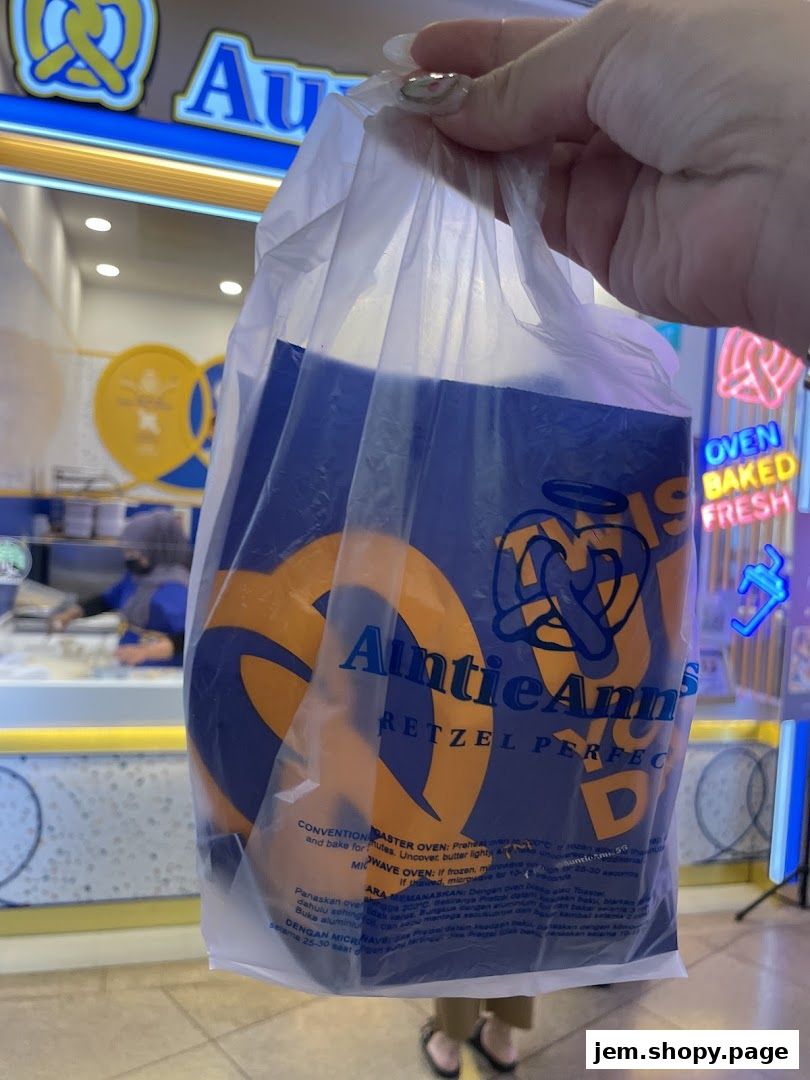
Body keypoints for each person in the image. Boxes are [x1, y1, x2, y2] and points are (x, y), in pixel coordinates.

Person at [393, 0, 810, 1072]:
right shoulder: (528, 494)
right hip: (508, 728)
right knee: (484, 884)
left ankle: (476, 1029)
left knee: (499, 890)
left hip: (525, 732)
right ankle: (464, 1028)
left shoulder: (541, 505)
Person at [50, 508, 190, 667]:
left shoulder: (175, 587)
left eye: (134, 552)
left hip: (159, 670)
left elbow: (187, 638)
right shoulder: (137, 577)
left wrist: (145, 652)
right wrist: (69, 614)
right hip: (129, 664)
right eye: (127, 551)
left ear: (155, 550)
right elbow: (107, 601)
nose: (128, 557)